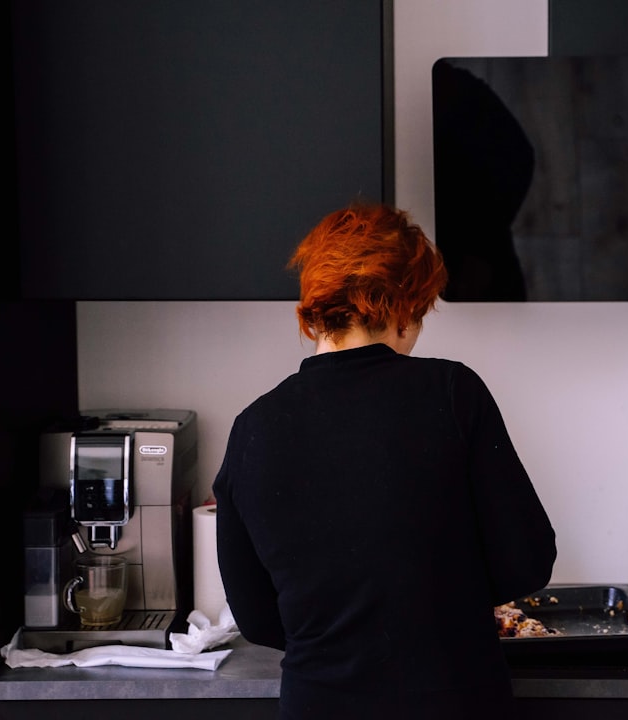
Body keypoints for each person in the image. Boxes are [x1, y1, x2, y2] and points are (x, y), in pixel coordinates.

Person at [213, 203, 557, 719]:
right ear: (403, 304)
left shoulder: (252, 427)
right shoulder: (451, 392)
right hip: (454, 703)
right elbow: (527, 562)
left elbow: (258, 620)